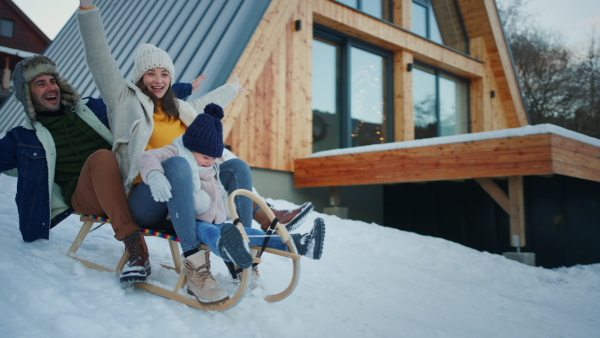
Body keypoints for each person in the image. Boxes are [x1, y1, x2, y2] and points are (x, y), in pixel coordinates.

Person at [76, 1, 324, 301]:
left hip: (187, 198)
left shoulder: (180, 109)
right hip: (147, 199)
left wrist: (233, 89)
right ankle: (195, 265)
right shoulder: (123, 101)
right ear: (140, 77)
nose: (158, 80)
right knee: (178, 164)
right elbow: (98, 57)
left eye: (164, 74)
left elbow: (208, 103)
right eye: (151, 73)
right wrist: (88, 11)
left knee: (238, 168)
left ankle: (241, 254)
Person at [137, 103, 325, 303]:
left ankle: (299, 244)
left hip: (213, 219)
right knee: (214, 235)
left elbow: (219, 182)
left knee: (238, 172)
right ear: (191, 147)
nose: (210, 162)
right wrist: (155, 175)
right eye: (206, 157)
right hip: (184, 218)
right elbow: (149, 156)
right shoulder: (176, 151)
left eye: (214, 157)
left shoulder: (210, 164)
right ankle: (198, 266)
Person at [0, 55, 150, 283]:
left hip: (124, 182)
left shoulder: (91, 108)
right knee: (102, 157)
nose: (51, 87)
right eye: (41, 84)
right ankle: (134, 245)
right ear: (27, 94)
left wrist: (178, 88)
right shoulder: (24, 137)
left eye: (53, 81)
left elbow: (134, 100)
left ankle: (198, 246)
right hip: (85, 195)